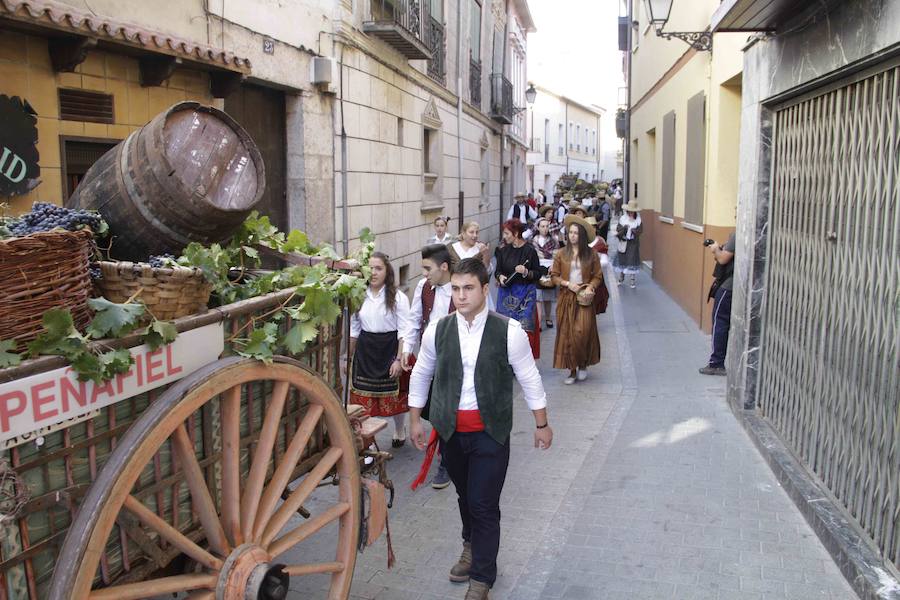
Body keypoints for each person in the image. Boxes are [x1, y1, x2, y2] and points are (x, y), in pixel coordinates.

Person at [408, 257, 552, 600]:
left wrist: (542, 424)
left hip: (491, 434)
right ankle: (471, 545)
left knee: (483, 503)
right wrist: (414, 419)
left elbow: (530, 378)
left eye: (468, 288)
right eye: (456, 289)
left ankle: (482, 579)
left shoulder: (509, 332)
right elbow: (422, 373)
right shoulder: (437, 330)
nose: (461, 295)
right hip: (451, 433)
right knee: (466, 496)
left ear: (485, 290)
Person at [402, 244, 458, 489]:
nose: (424, 274)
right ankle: (446, 451)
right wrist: (407, 349)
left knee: (450, 407)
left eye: (428, 268)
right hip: (429, 356)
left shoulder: (461, 288)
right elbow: (414, 318)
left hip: (456, 358)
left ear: (444, 267)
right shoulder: (424, 287)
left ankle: (447, 460)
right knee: (436, 407)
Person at [349, 252, 412, 445]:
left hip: (390, 348)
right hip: (366, 351)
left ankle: (399, 430)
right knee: (363, 398)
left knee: (395, 396)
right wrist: (347, 357)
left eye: (378, 268)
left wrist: (398, 359)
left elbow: (404, 330)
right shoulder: (358, 296)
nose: (374, 273)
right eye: (370, 269)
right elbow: (354, 329)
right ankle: (368, 442)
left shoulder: (398, 298)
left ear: (387, 271)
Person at [551, 214, 603, 384]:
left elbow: (598, 276)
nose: (572, 236)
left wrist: (590, 287)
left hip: (584, 297)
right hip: (567, 297)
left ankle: (583, 364)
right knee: (568, 334)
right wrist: (567, 284)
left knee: (583, 332)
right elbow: (554, 276)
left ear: (582, 236)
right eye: (570, 232)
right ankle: (572, 370)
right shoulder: (561, 253)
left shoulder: (591, 254)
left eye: (576, 233)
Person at [494, 219, 542, 358]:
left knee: (524, 331)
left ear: (515, 233)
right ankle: (506, 360)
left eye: (507, 233)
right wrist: (500, 277)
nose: (504, 236)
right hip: (506, 295)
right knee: (505, 329)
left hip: (524, 295)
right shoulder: (503, 251)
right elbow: (498, 271)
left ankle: (523, 360)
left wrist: (526, 272)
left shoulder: (530, 251)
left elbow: (538, 273)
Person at [700, 233, 736, 376]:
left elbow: (723, 259)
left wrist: (715, 249)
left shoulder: (737, 235)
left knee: (719, 322)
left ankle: (716, 364)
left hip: (728, 287)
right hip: (736, 286)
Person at [532, 217, 559, 330]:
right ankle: (538, 322)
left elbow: (556, 254)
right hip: (538, 268)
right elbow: (534, 255)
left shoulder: (553, 240)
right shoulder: (534, 240)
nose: (545, 228)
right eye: (542, 226)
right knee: (538, 297)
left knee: (548, 297)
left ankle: (548, 318)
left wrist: (553, 266)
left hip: (549, 268)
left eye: (547, 226)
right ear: (538, 228)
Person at [614, 201, 642, 289]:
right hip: (624, 242)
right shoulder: (623, 219)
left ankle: (632, 280)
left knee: (632, 261)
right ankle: (621, 278)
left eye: (632, 212)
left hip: (633, 243)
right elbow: (618, 229)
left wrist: (634, 231)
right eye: (629, 211)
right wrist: (624, 228)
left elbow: (640, 230)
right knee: (623, 260)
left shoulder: (638, 220)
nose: (631, 213)